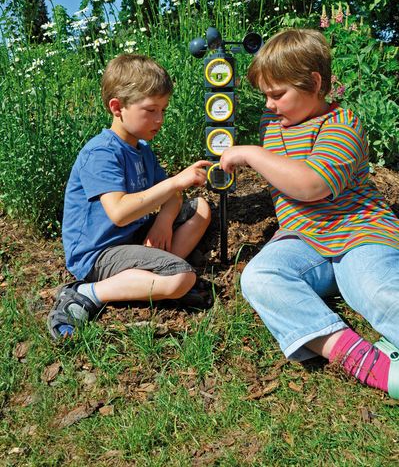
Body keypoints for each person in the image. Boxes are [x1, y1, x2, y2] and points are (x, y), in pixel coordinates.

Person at [220, 28, 399, 399]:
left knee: (378, 291)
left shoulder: (342, 124)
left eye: (278, 94)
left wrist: (251, 154)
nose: (269, 104)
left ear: (314, 83)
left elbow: (313, 185)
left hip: (359, 234)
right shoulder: (273, 131)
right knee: (259, 277)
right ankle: (361, 359)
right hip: (304, 243)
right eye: (265, 95)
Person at [48, 53, 212, 339]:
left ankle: (149, 278)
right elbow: (120, 212)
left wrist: (164, 220)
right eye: (151, 110)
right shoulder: (101, 153)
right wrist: (176, 181)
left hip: (132, 239)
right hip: (97, 254)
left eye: (163, 110)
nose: (159, 119)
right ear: (117, 107)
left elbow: (173, 195)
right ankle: (85, 293)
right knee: (182, 278)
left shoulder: (141, 149)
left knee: (201, 209)